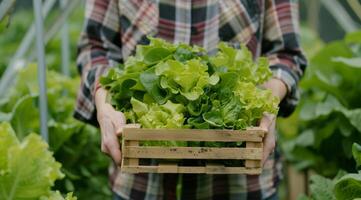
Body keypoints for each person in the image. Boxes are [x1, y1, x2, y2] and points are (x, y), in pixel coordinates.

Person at [74, 0, 307, 199]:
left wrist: (267, 103)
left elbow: (285, 55)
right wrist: (104, 104)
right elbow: (96, 49)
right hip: (141, 185)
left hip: (241, 185)